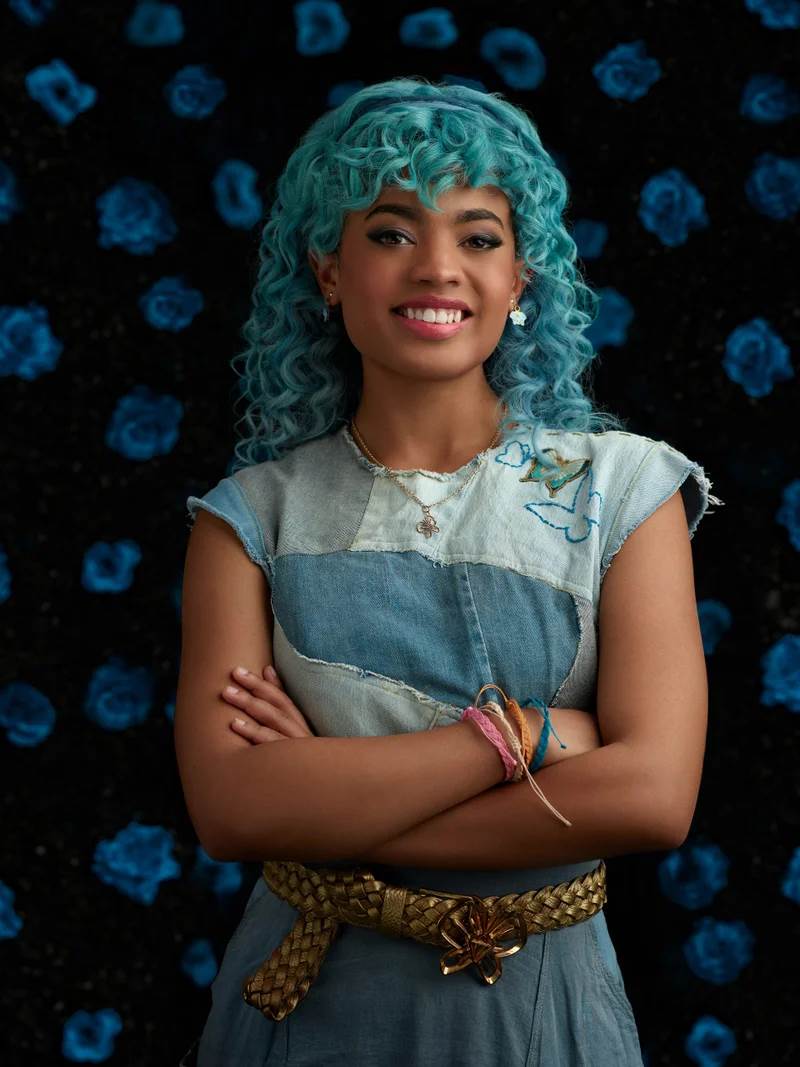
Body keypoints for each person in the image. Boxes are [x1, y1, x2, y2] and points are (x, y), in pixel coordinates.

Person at [175, 76, 723, 1067]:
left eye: (477, 237)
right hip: (302, 1016)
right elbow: (232, 809)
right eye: (390, 232)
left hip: (546, 1017)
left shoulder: (625, 488)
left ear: (520, 279)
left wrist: (328, 810)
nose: (436, 268)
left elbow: (652, 795)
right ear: (328, 269)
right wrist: (525, 736)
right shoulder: (247, 517)